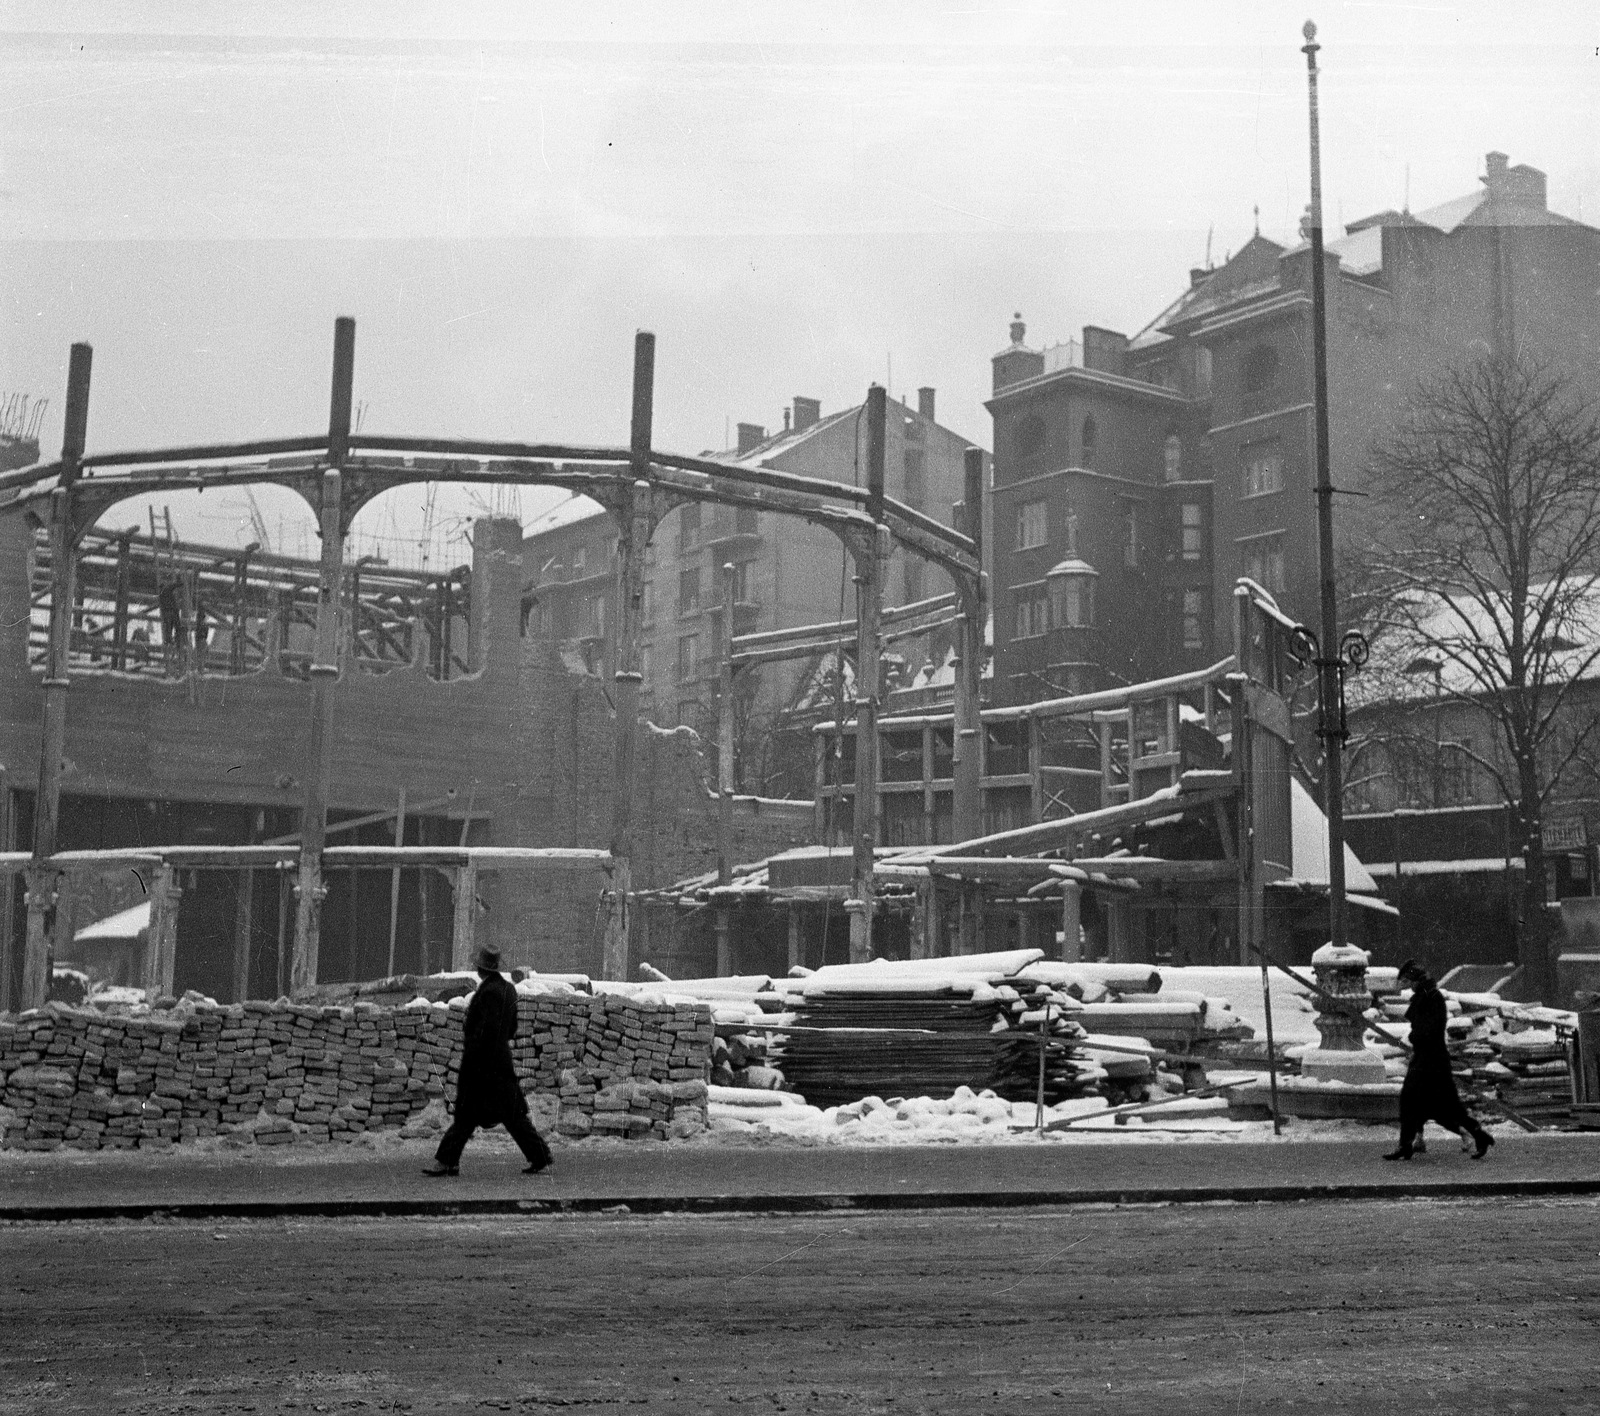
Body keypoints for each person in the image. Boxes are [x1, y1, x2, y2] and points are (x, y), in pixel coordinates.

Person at [422, 946, 553, 1177]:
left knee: (466, 1115)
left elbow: (485, 1030)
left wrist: (474, 1044)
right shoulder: (509, 990)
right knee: (512, 1115)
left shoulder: (488, 992)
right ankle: (540, 1155)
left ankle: (446, 1161)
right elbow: (511, 1028)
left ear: (481, 969)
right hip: (500, 1061)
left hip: (481, 1063)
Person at [1383, 959, 1494, 1161]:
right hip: (1428, 1059)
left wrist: (1414, 1038)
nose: (1407, 985)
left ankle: (1479, 1135)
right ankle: (1406, 1145)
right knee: (1415, 1101)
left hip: (1432, 1060)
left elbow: (1431, 1029)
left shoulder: (1432, 998)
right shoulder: (1426, 996)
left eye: (1409, 981)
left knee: (1445, 1106)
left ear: (1416, 981)